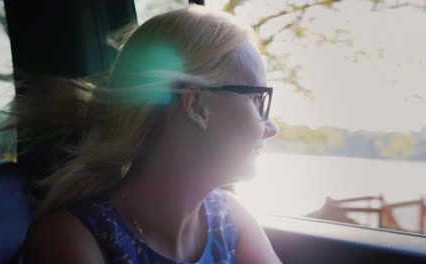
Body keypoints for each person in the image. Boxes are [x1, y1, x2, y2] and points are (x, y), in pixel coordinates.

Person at [23, 5, 281, 264]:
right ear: (196, 106)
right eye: (258, 100)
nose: (272, 128)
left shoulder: (230, 219)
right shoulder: (69, 237)